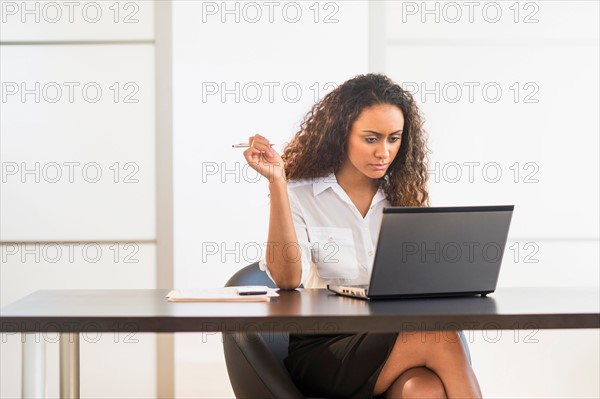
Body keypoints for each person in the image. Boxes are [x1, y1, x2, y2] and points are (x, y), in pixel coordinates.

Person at [243, 73, 482, 399]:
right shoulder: (300, 195)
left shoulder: (404, 196)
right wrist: (276, 182)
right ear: (342, 134)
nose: (384, 152)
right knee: (440, 336)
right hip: (325, 348)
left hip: (391, 337)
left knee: (422, 389)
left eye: (394, 138)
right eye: (371, 139)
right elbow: (286, 279)